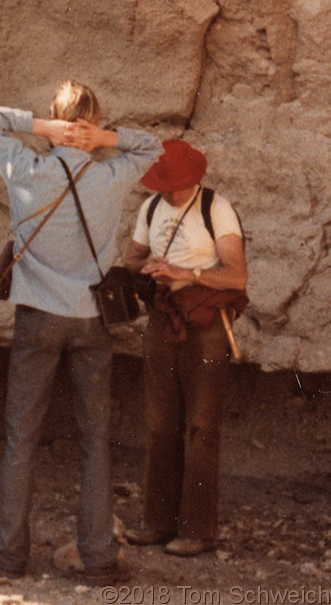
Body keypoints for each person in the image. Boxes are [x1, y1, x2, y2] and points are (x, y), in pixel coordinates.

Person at [0, 83, 162, 585]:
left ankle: (8, 557)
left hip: (37, 313)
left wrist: (41, 129)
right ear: (93, 125)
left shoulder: (24, 167)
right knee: (94, 438)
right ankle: (98, 557)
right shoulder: (111, 175)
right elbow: (154, 148)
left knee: (20, 436)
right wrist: (103, 138)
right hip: (91, 317)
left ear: (56, 121)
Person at [120, 139, 247, 557]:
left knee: (202, 427)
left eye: (172, 184)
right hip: (162, 319)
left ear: (192, 180)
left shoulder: (217, 209)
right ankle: (157, 524)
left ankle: (197, 530)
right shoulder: (152, 208)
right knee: (160, 425)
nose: (167, 192)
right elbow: (132, 258)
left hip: (206, 325)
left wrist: (184, 272)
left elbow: (236, 277)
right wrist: (145, 271)